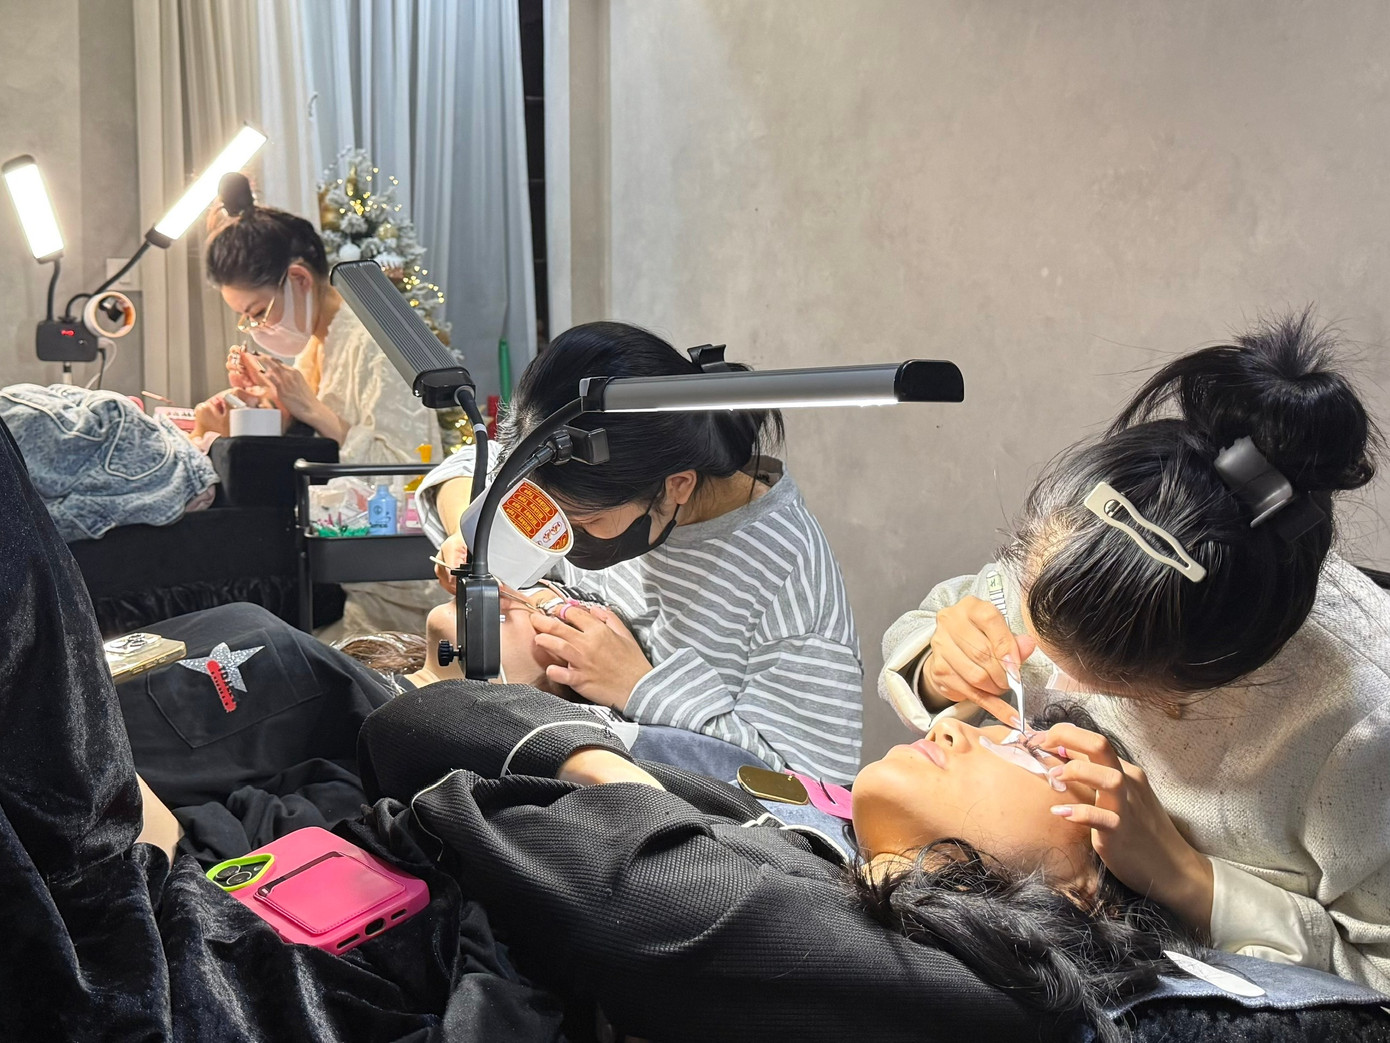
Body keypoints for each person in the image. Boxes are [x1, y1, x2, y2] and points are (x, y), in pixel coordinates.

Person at [357, 676, 1390, 1042]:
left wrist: (605, 774)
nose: (952, 726)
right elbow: (422, 726)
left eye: (1027, 748)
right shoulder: (807, 814)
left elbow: (625, 892)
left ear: (1086, 880)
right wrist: (608, 771)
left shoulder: (989, 986)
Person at [879, 312, 1390, 989]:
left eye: (1097, 681)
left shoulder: (1361, 736)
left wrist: (1187, 878)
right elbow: (939, 619)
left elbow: (1377, 979)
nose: (1048, 688)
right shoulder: (1083, 547)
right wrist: (936, 666)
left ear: (1198, 683)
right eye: (1029, 600)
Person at [417, 322, 864, 783]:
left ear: (678, 486)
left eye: (582, 521)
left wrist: (637, 686)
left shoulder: (789, 585)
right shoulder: (575, 465)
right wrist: (471, 537)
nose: (554, 536)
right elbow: (464, 468)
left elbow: (813, 791)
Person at [200, 172, 443, 635]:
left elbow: (408, 474)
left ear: (298, 278)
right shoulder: (320, 340)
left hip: (391, 590)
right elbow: (315, 439)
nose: (255, 329)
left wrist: (310, 409)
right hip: (333, 565)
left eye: (257, 313)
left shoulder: (376, 340)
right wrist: (272, 407)